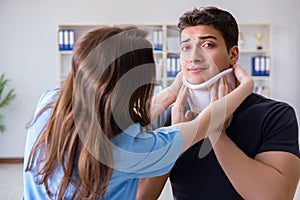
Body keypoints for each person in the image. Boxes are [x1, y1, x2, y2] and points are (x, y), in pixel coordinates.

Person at [22, 26, 253, 199]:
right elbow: (204, 123)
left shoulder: (51, 102)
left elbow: (112, 119)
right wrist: (245, 88)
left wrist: (173, 91)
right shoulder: (132, 149)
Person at [137, 6, 300, 200]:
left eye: (207, 45)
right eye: (186, 47)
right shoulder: (172, 118)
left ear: (233, 55)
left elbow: (275, 197)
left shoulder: (274, 114)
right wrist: (174, 140)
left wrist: (215, 132)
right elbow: (141, 197)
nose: (193, 57)